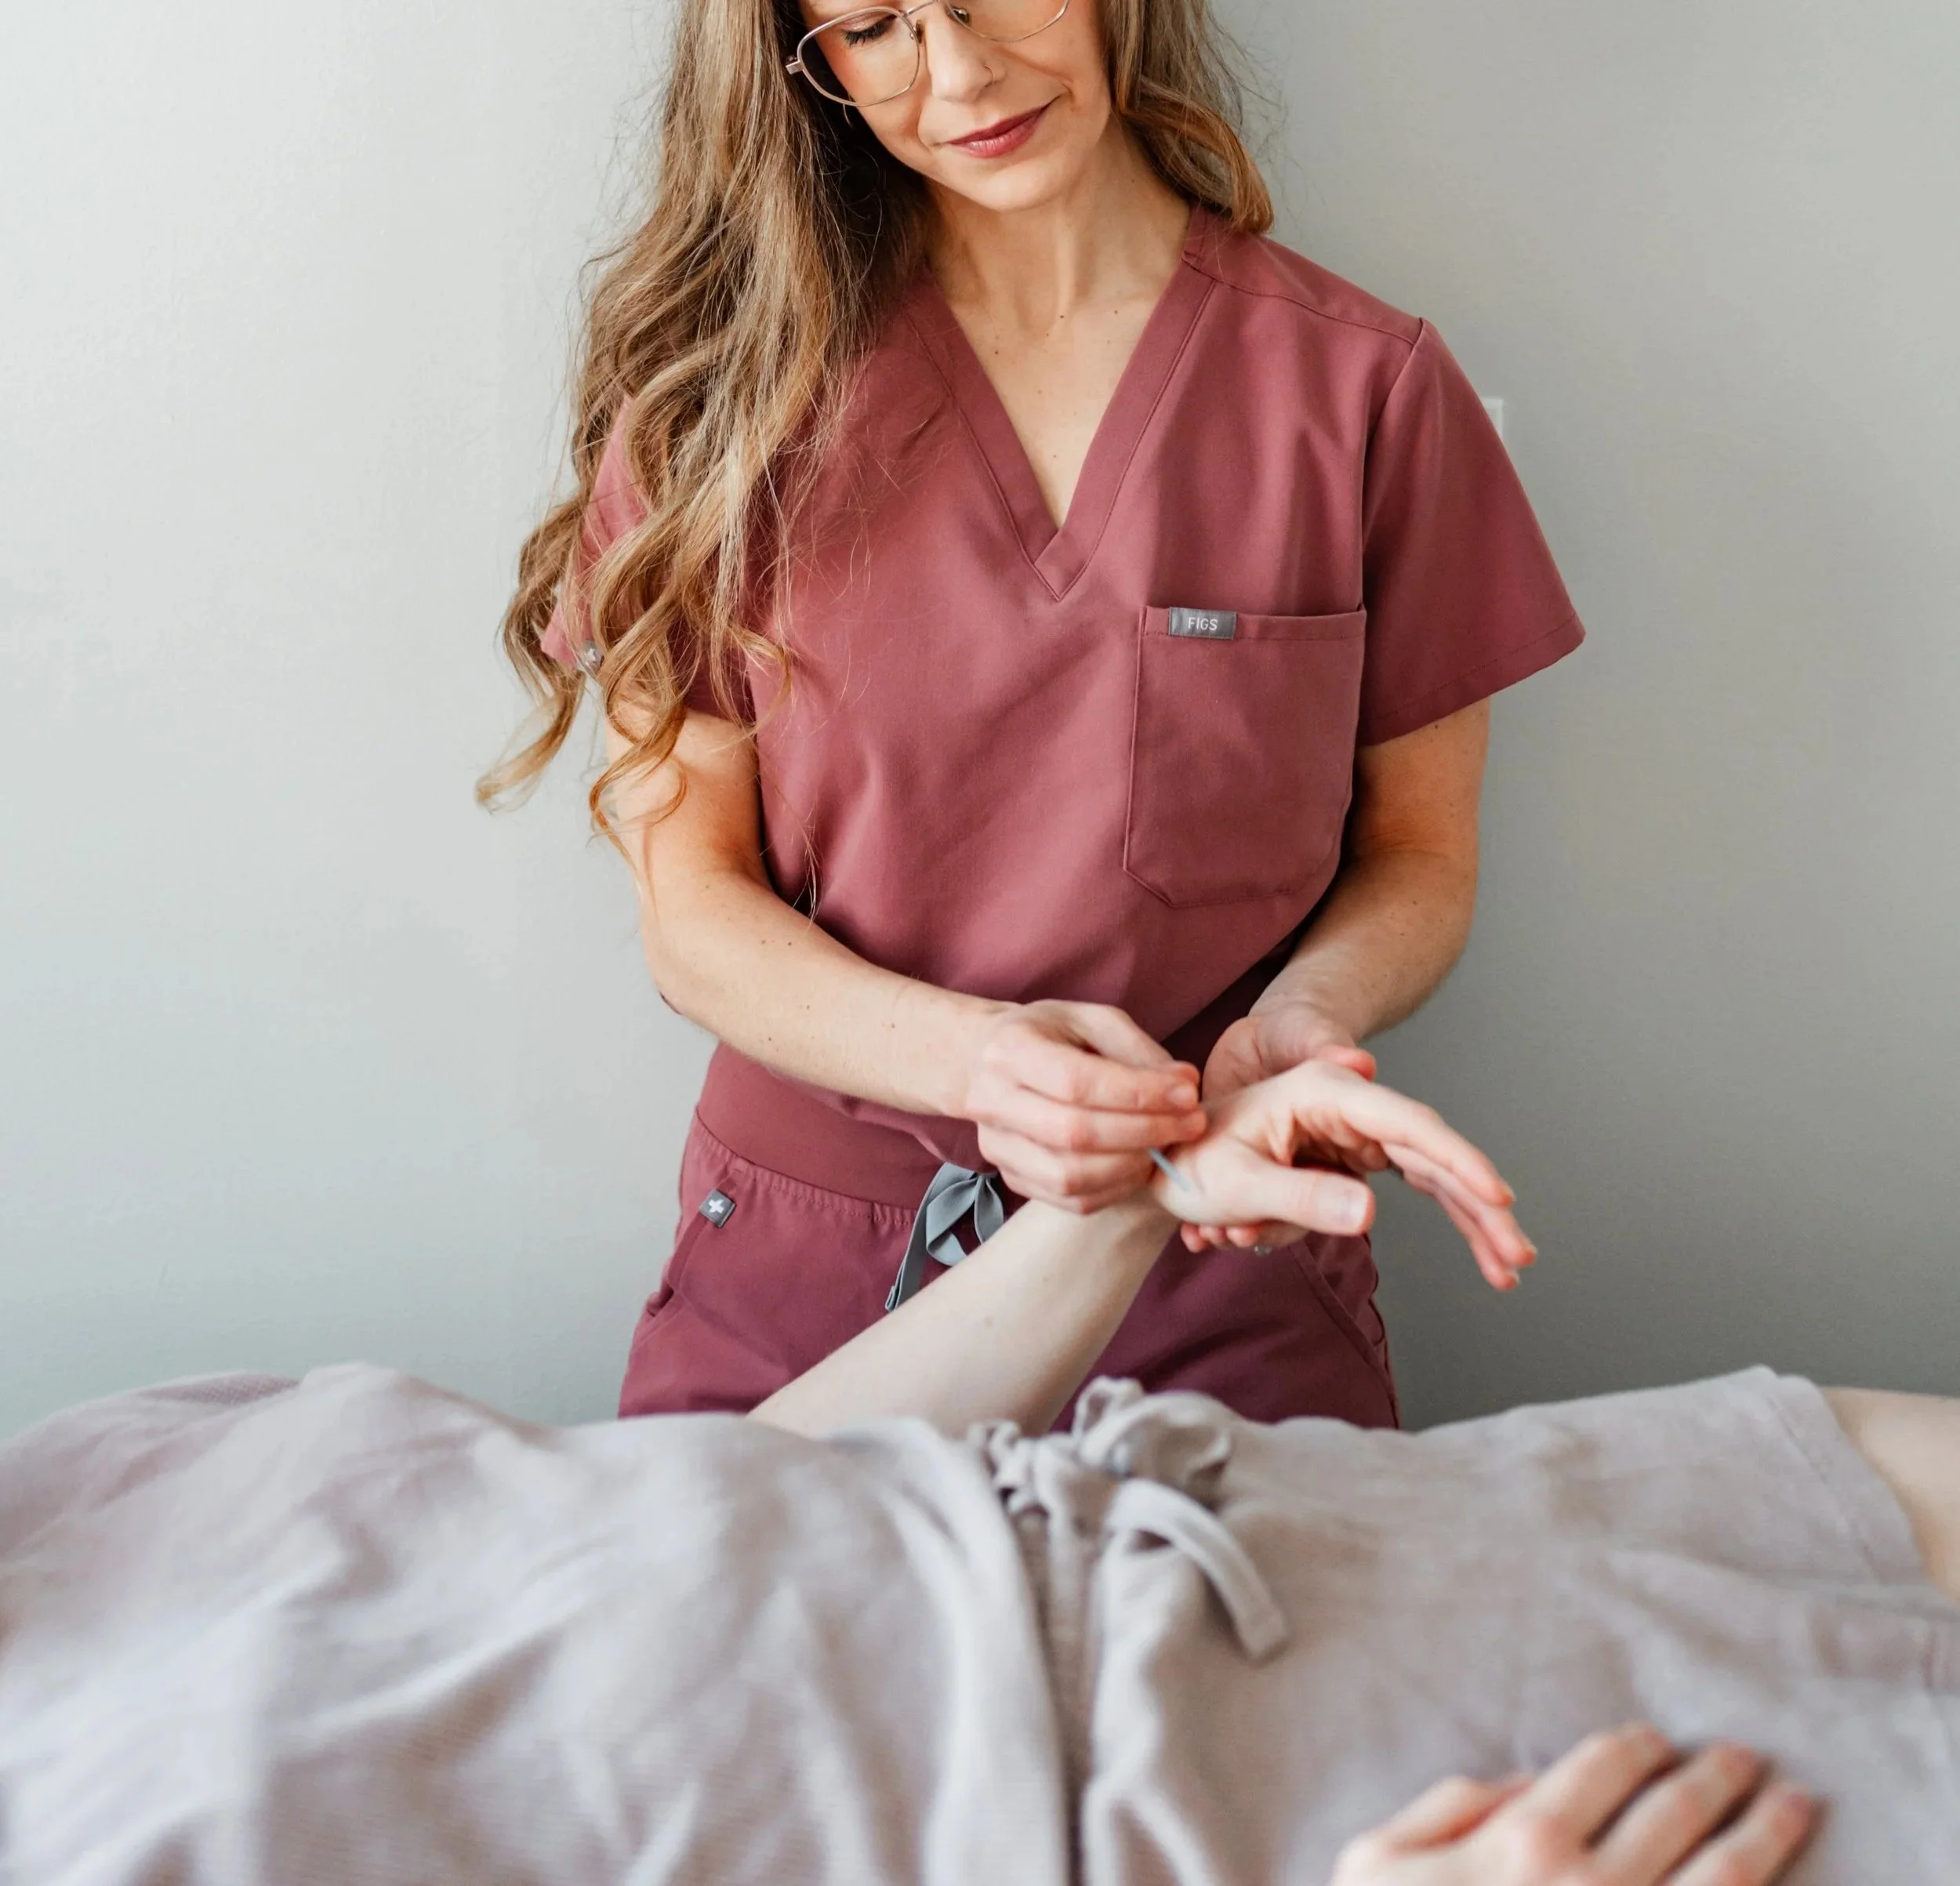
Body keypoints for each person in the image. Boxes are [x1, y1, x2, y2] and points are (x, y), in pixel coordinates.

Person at [9, 1061, 1956, 1882]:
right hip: (1305, 1820)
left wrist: (1136, 1212)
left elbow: (713, 1516)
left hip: (1276, 1529)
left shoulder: (96, 1475)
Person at [482, 0, 1584, 1425]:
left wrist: (1310, 1015)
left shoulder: (1365, 391)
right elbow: (691, 906)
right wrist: (983, 1068)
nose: (960, 75)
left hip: (1215, 1242)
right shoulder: (720, 416)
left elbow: (1421, 856)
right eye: (876, 28)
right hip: (811, 1285)